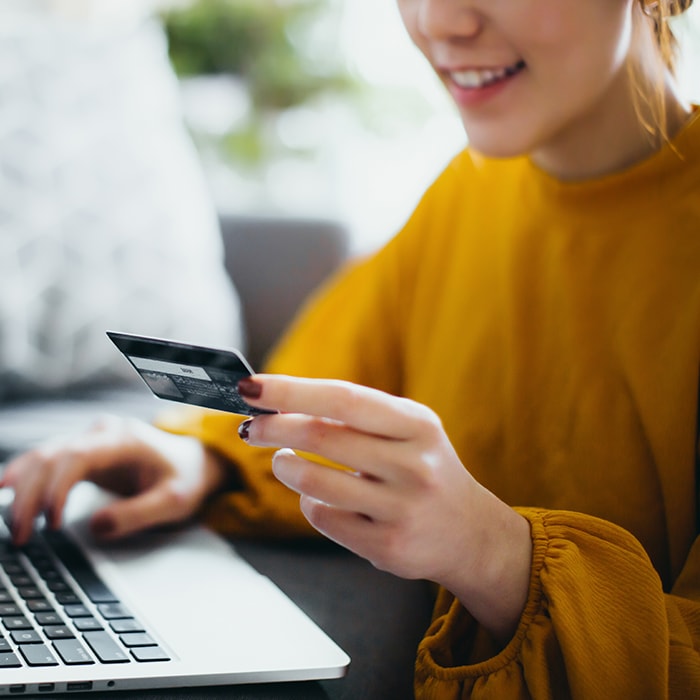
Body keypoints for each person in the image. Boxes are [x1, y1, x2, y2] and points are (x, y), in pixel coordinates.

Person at [2, 0, 699, 696]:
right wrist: (199, 461)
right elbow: (324, 399)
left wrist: (492, 553)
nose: (440, 23)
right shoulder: (467, 195)